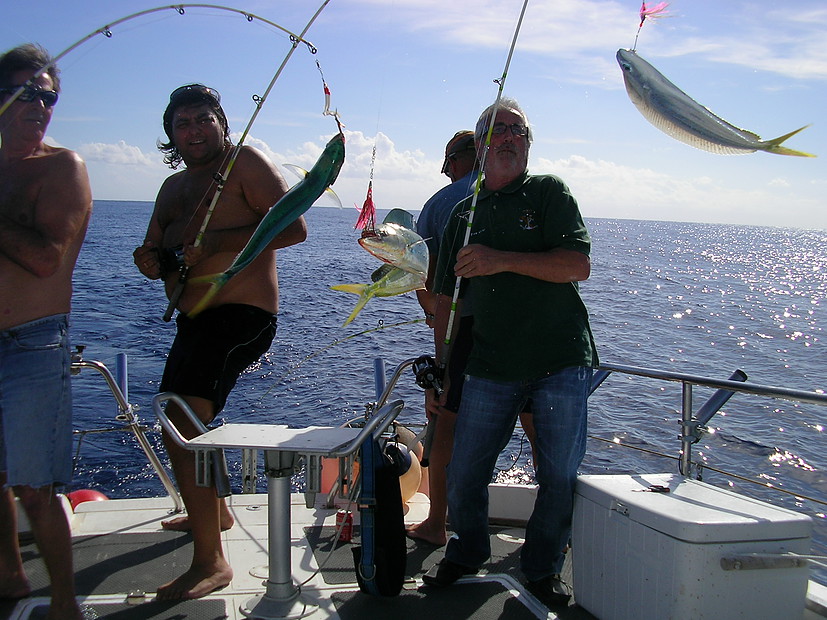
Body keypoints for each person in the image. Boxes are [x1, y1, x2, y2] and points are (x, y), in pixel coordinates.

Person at [422, 97, 598, 608]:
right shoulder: (462, 213)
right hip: (491, 364)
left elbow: (575, 266)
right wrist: (442, 372)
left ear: (527, 143)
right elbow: (445, 302)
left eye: (518, 130)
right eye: (497, 129)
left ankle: (543, 567)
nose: (509, 136)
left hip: (560, 358)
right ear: (479, 145)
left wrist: (500, 260)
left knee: (559, 472)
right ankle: (466, 549)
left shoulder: (547, 192)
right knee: (466, 469)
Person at [133, 84, 307, 600]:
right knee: (180, 419)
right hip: (193, 320)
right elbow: (153, 246)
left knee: (182, 422)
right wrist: (150, 260)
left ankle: (211, 563)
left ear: (222, 122)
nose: (194, 131)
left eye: (203, 120)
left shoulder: (244, 164)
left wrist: (218, 243)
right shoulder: (173, 189)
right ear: (171, 134)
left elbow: (293, 227)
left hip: (241, 315)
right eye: (182, 123)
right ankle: (216, 512)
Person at [0, 44, 92, 620]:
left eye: (47, 94)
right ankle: (10, 576)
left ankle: (64, 604)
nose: (39, 103)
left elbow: (44, 259)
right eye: (24, 91)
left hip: (32, 343)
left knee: (34, 487)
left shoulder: (64, 168)